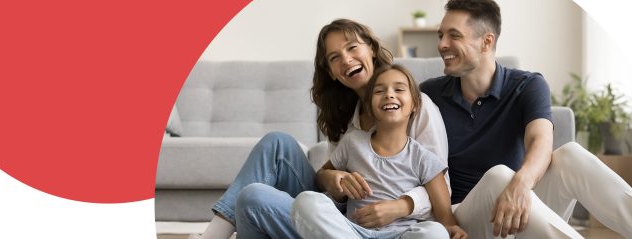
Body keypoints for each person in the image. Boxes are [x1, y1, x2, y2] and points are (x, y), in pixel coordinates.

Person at [418, 0, 632, 238]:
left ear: (486, 42)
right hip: (465, 220)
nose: (442, 44)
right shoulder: (429, 94)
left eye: (454, 35)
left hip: (519, 211)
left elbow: (541, 141)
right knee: (498, 177)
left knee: (570, 154)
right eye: (441, 35)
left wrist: (520, 184)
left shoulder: (527, 85)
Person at [192, 19, 449, 239]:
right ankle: (214, 234)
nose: (347, 60)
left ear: (371, 48)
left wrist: (401, 206)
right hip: (341, 220)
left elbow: (441, 185)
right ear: (332, 72)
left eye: (352, 48)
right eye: (335, 58)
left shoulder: (416, 106)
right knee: (269, 160)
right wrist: (331, 179)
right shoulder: (347, 119)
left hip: (395, 224)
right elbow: (331, 181)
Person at [291, 65, 466, 239]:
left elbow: (445, 216)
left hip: (402, 234)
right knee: (306, 202)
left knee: (435, 232)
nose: (389, 95)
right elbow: (322, 176)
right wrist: (334, 178)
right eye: (379, 91)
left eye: (398, 89)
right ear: (369, 106)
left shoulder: (423, 157)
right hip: (354, 232)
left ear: (415, 104)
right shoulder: (352, 142)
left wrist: (451, 227)